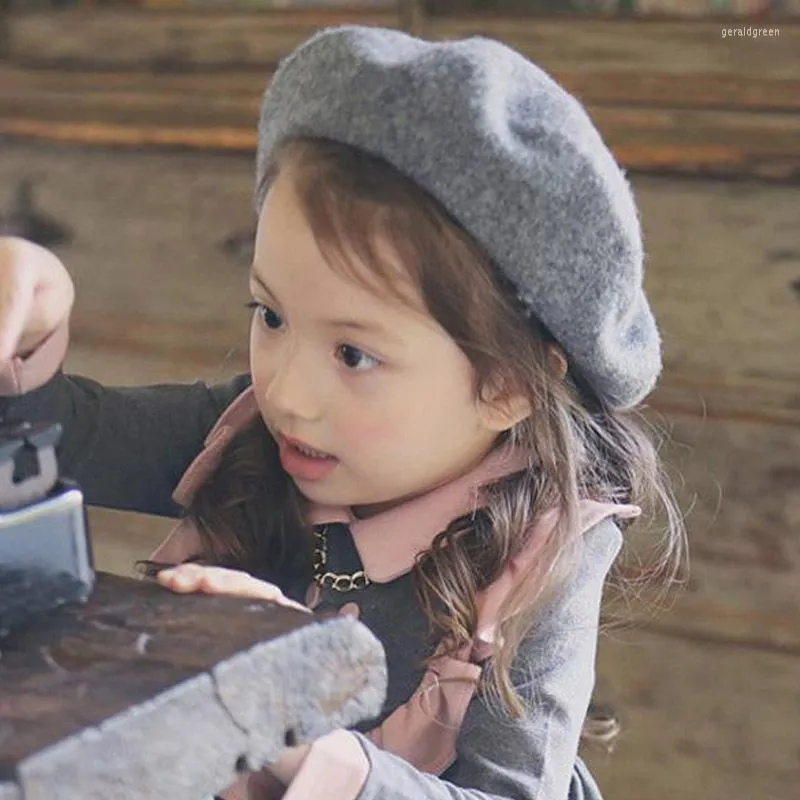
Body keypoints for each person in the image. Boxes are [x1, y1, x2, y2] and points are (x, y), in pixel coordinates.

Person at [0, 25, 686, 800]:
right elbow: (58, 439)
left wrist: (288, 720)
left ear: (508, 386)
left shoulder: (542, 556)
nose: (286, 392)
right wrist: (28, 322)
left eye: (355, 355)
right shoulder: (250, 432)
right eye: (270, 316)